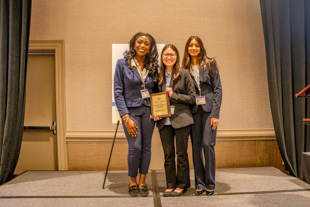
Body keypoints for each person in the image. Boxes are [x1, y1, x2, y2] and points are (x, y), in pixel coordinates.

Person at [114, 32, 159, 197]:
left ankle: (142, 181)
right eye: (139, 42)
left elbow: (156, 90)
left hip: (148, 111)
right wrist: (125, 117)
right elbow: (118, 93)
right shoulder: (122, 64)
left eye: (146, 43)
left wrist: (159, 110)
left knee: (146, 147)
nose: (142, 45)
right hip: (131, 112)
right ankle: (132, 181)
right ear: (134, 44)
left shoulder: (153, 65)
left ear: (150, 47)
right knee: (135, 146)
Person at [152, 44, 195, 197]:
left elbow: (192, 98)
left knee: (181, 153)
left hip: (182, 120)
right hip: (164, 122)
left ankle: (182, 185)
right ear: (162, 57)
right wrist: (154, 113)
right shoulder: (158, 76)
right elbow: (154, 98)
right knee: (168, 154)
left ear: (176, 57)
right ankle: (170, 184)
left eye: (171, 54)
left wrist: (173, 95)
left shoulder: (184, 73)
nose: (168, 57)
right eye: (165, 54)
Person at [182, 36, 222, 196]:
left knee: (208, 144)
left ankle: (210, 183)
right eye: (191, 45)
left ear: (201, 47)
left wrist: (215, 114)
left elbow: (218, 89)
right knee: (196, 147)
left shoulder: (210, 63)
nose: (193, 48)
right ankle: (199, 182)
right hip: (192, 111)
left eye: (196, 45)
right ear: (187, 48)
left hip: (209, 110)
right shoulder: (184, 67)